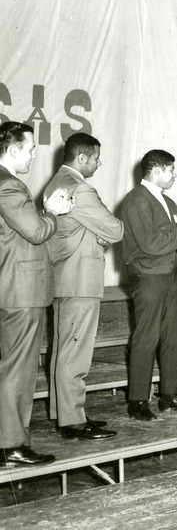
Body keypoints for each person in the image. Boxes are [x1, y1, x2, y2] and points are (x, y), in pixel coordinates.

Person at [0, 122, 72, 467]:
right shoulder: (9, 186)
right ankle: (11, 444)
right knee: (18, 369)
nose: (32, 155)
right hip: (20, 291)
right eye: (29, 149)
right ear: (12, 150)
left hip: (9, 287)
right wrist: (52, 212)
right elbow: (37, 230)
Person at [44, 133, 123, 440]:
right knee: (74, 353)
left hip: (66, 278)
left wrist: (95, 234)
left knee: (64, 350)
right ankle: (72, 421)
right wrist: (101, 233)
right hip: (80, 281)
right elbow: (115, 229)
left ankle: (66, 413)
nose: (99, 162)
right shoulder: (81, 188)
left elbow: (77, 232)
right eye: (96, 158)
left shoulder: (56, 182)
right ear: (82, 158)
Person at [120, 150, 177, 421]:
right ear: (156, 171)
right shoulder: (136, 201)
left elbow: (176, 239)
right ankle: (137, 401)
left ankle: (170, 395)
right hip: (148, 277)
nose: (174, 175)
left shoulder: (168, 202)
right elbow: (149, 245)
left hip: (172, 276)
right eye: (171, 170)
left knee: (174, 335)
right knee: (146, 337)